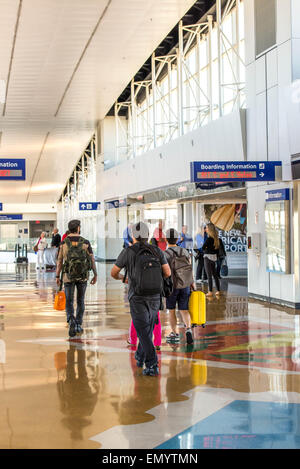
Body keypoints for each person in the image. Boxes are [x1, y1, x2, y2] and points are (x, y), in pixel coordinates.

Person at [111, 221, 171, 376]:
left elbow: (113, 272)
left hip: (137, 295)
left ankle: (152, 364)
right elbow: (168, 273)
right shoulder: (157, 250)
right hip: (155, 295)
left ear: (133, 235)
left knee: (142, 331)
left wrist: (124, 278)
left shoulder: (128, 251)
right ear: (148, 235)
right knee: (148, 329)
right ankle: (140, 355)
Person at [56, 219, 98, 338]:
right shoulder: (86, 242)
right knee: (80, 300)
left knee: (69, 300)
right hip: (82, 277)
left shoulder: (63, 243)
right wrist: (95, 274)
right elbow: (92, 260)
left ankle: (71, 321)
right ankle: (79, 324)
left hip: (67, 276)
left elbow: (59, 261)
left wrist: (57, 275)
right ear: (78, 228)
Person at [165, 228, 196, 345]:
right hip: (185, 285)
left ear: (166, 239)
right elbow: (189, 268)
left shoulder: (165, 254)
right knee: (184, 310)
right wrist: (192, 284)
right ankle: (188, 329)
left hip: (171, 287)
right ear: (178, 239)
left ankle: (174, 333)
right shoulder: (185, 252)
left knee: (171, 310)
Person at [202, 222, 221, 297]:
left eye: (206, 228)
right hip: (214, 258)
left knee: (209, 275)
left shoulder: (208, 239)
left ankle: (210, 291)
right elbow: (217, 250)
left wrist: (206, 249)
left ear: (209, 229)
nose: (205, 229)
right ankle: (218, 290)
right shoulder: (216, 239)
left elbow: (203, 248)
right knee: (215, 275)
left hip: (207, 258)